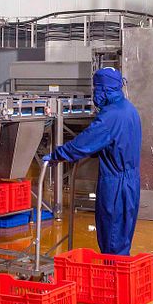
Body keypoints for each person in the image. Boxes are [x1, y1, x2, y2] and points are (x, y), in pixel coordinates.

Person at [43, 67, 141, 256]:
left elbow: (84, 143)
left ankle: (112, 274)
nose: (95, 94)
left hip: (115, 185)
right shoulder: (129, 109)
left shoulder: (110, 116)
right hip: (130, 181)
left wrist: (57, 155)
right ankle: (118, 271)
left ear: (103, 89)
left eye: (96, 89)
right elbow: (118, 142)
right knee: (121, 239)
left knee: (112, 241)